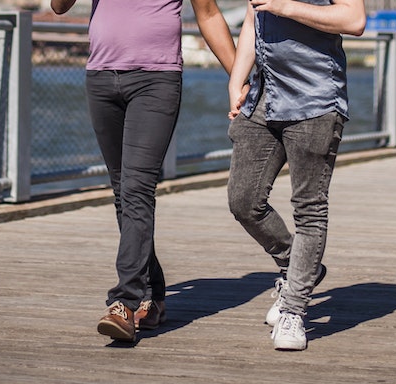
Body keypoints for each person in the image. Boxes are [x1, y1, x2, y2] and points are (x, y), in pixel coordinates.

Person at [51, 0, 239, 342]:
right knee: (123, 192)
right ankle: (153, 294)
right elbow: (59, 7)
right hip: (101, 76)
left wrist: (242, 81)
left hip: (156, 79)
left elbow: (208, 13)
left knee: (137, 188)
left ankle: (123, 303)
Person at [227, 0, 366, 350]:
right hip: (263, 97)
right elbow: (252, 15)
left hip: (315, 98)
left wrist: (286, 6)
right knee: (243, 200)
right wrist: (236, 79)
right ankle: (298, 269)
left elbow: (354, 19)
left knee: (309, 208)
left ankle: (294, 308)